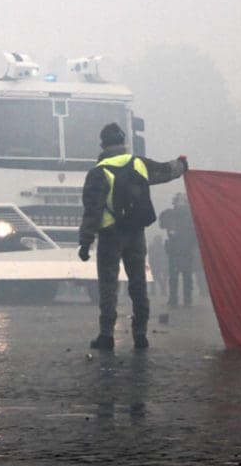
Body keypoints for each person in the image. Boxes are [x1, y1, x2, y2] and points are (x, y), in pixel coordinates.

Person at [78, 122, 187, 351]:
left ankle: (106, 335)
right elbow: (167, 171)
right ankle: (140, 334)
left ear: (103, 145)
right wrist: (182, 164)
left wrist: (85, 242)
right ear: (123, 142)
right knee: (138, 284)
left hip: (110, 236)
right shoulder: (138, 163)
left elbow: (92, 212)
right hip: (136, 233)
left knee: (108, 285)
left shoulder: (98, 173)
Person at [159, 192, 197, 307]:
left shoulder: (191, 215)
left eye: (183, 200)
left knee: (186, 276)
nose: (181, 202)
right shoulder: (170, 214)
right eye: (179, 200)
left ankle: (187, 299)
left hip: (186, 249)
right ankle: (173, 299)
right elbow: (162, 224)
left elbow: (195, 233)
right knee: (174, 276)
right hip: (174, 249)